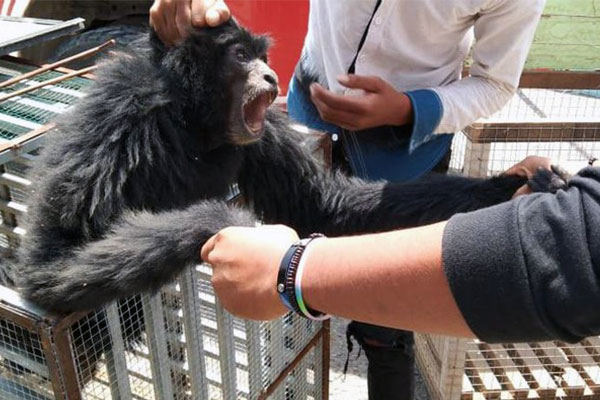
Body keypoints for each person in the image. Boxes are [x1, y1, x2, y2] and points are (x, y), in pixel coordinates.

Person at [150, 0, 549, 398]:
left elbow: (495, 82)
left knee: (387, 322)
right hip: (310, 120)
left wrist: (409, 109)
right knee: (285, 281)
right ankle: (291, 377)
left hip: (402, 149)